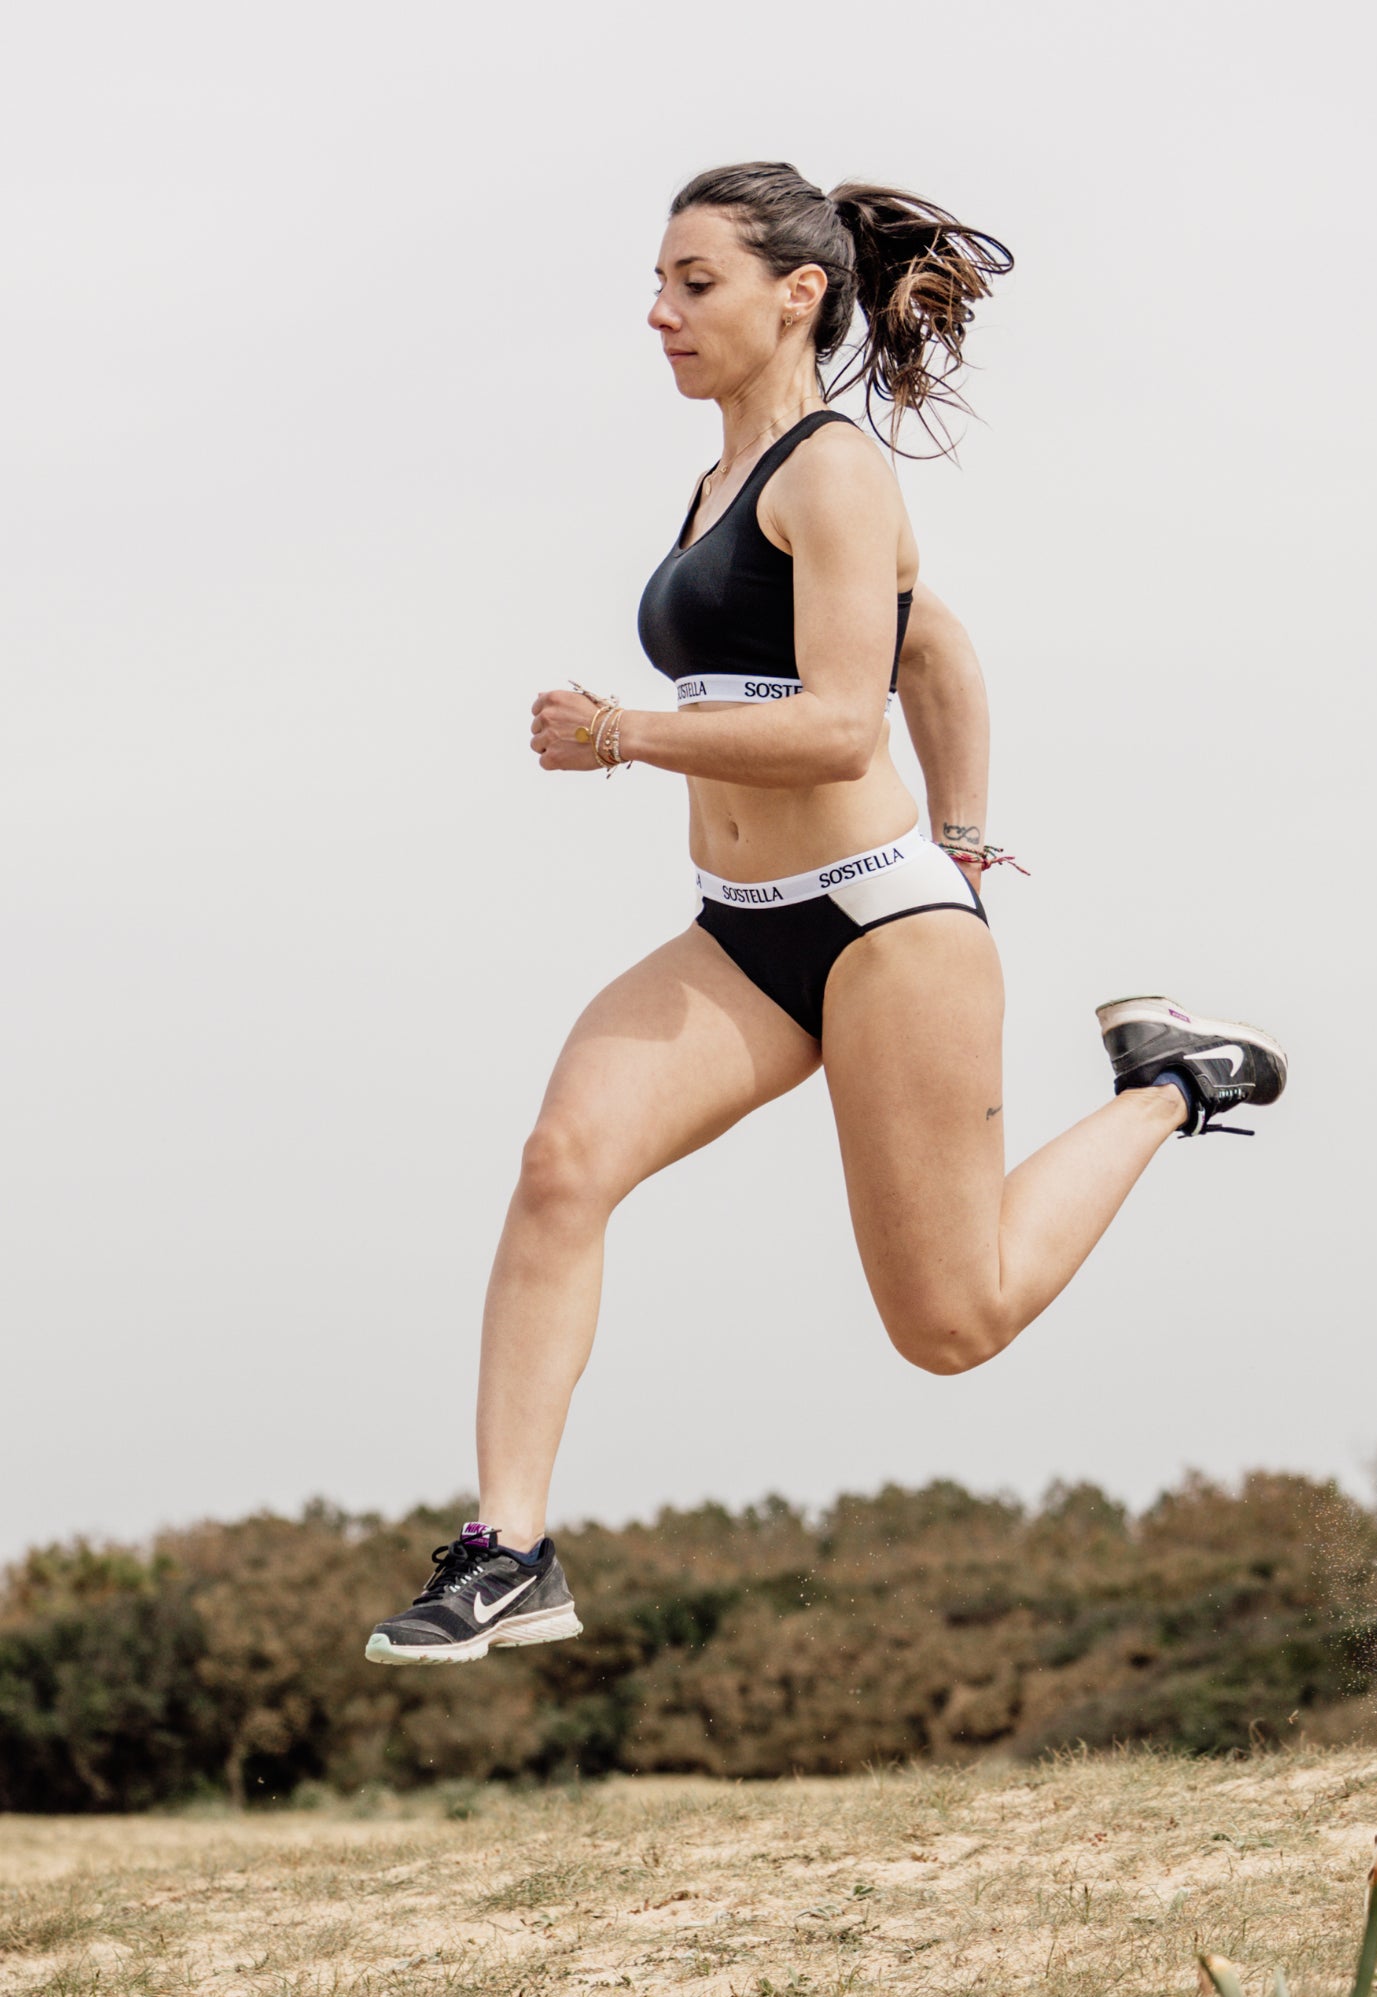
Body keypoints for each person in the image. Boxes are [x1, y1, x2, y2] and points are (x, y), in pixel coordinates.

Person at [365, 164, 1286, 1667]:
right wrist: (971, 829)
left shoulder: (834, 470)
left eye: (694, 283)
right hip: (740, 930)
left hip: (878, 936)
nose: (659, 313)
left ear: (796, 295)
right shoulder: (722, 481)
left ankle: (1173, 1084)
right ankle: (509, 1551)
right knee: (560, 1167)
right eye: (657, 284)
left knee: (951, 1326)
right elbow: (937, 647)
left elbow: (844, 729)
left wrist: (625, 734)